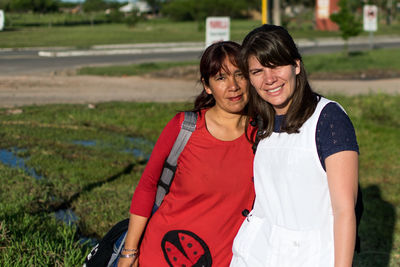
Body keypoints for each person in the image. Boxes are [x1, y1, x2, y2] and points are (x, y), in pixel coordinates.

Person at [230, 24, 359, 267]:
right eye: (257, 71)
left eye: (276, 66)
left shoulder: (328, 119)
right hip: (255, 255)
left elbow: (344, 211)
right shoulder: (260, 122)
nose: (269, 79)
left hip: (310, 257)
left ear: (296, 66)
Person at [118, 41, 256, 267]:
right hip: (162, 254)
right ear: (207, 86)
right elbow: (147, 186)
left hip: (226, 260)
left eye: (240, 75)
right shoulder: (185, 127)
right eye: (221, 78)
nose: (233, 86)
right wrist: (129, 252)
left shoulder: (264, 135)